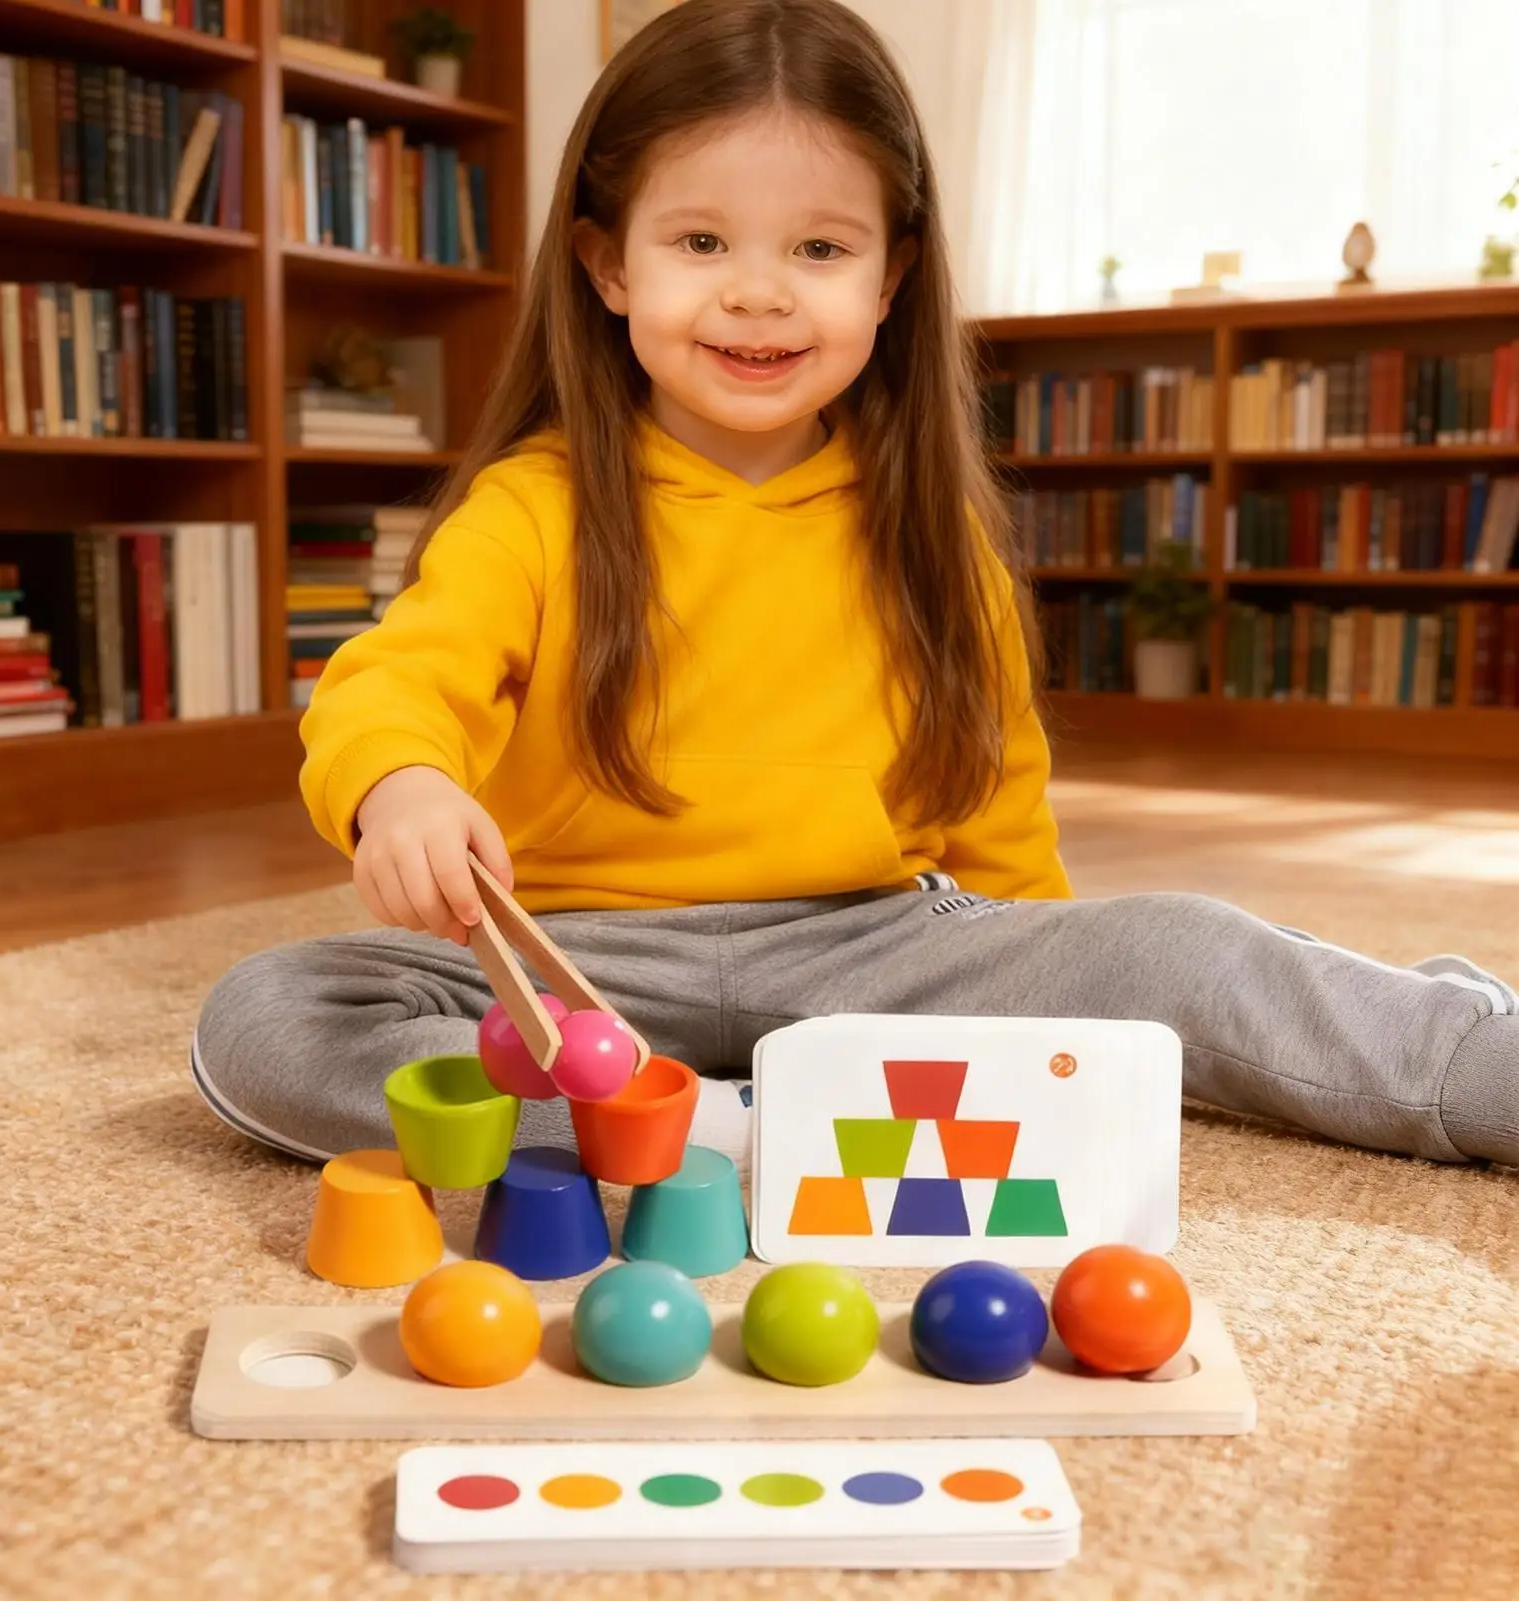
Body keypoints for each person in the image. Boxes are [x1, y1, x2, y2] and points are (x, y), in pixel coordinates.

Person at [191, 0, 1515, 1176]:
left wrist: (1055, 994)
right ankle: (718, 1134)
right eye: (701, 241)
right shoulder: (540, 503)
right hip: (582, 967)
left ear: (891, 275)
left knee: (1189, 947)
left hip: (875, 952)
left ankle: (1470, 1066)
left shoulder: (931, 537)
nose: (758, 294)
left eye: (819, 252)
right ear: (609, 266)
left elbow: (998, 817)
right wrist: (400, 785)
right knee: (269, 1018)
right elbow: (401, 674)